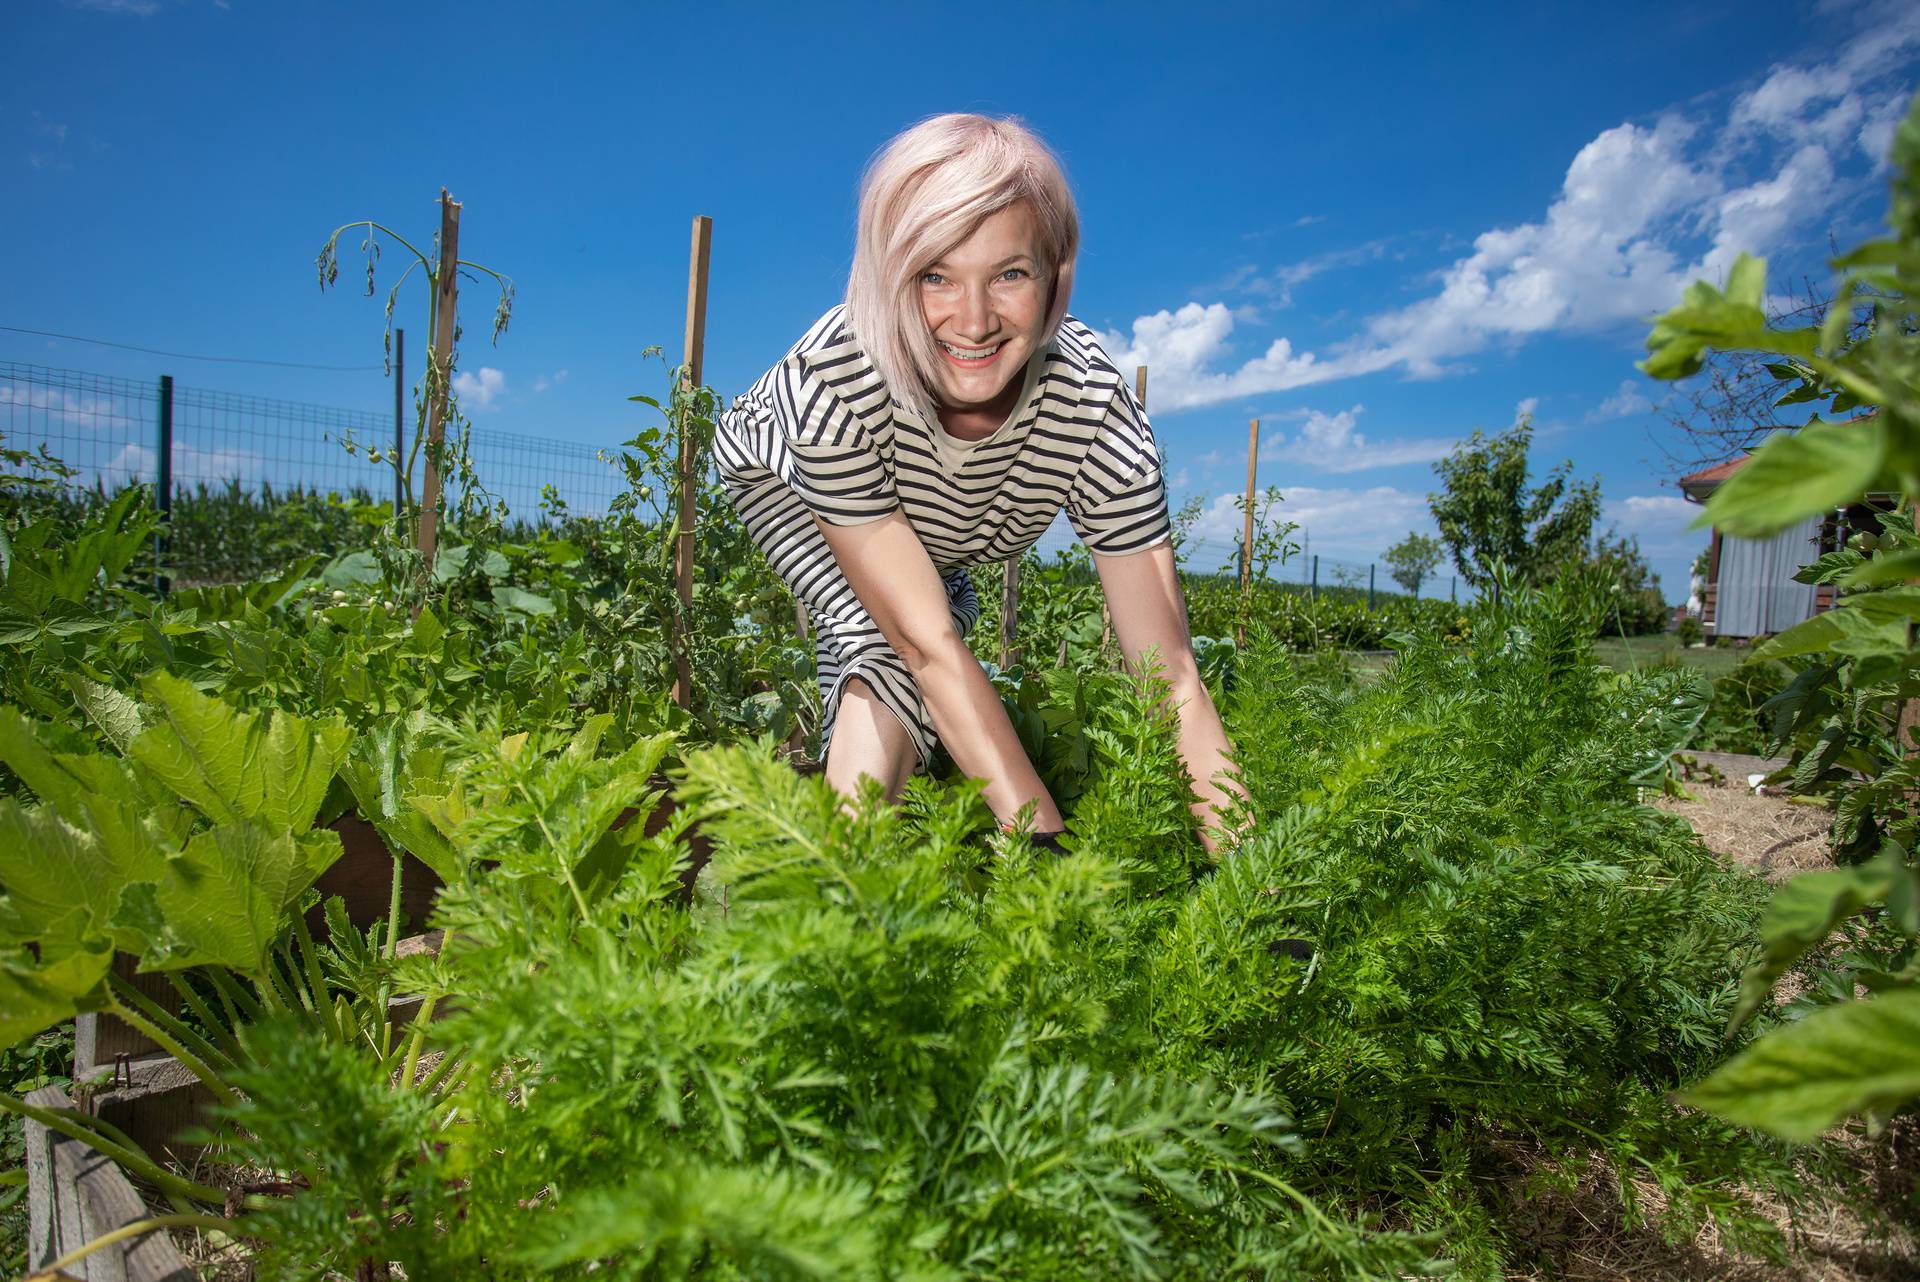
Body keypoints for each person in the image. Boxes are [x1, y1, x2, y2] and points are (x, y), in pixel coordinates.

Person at [715, 112, 1242, 853]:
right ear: (889, 274)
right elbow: (923, 644)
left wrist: (1254, 878)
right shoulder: (834, 383)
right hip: (786, 483)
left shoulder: (1093, 412)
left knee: (936, 632)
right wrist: (1046, 850)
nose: (973, 320)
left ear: (1056, 276)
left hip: (946, 518)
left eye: (1010, 274)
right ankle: (841, 890)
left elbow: (1170, 674)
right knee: (887, 643)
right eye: (935, 274)